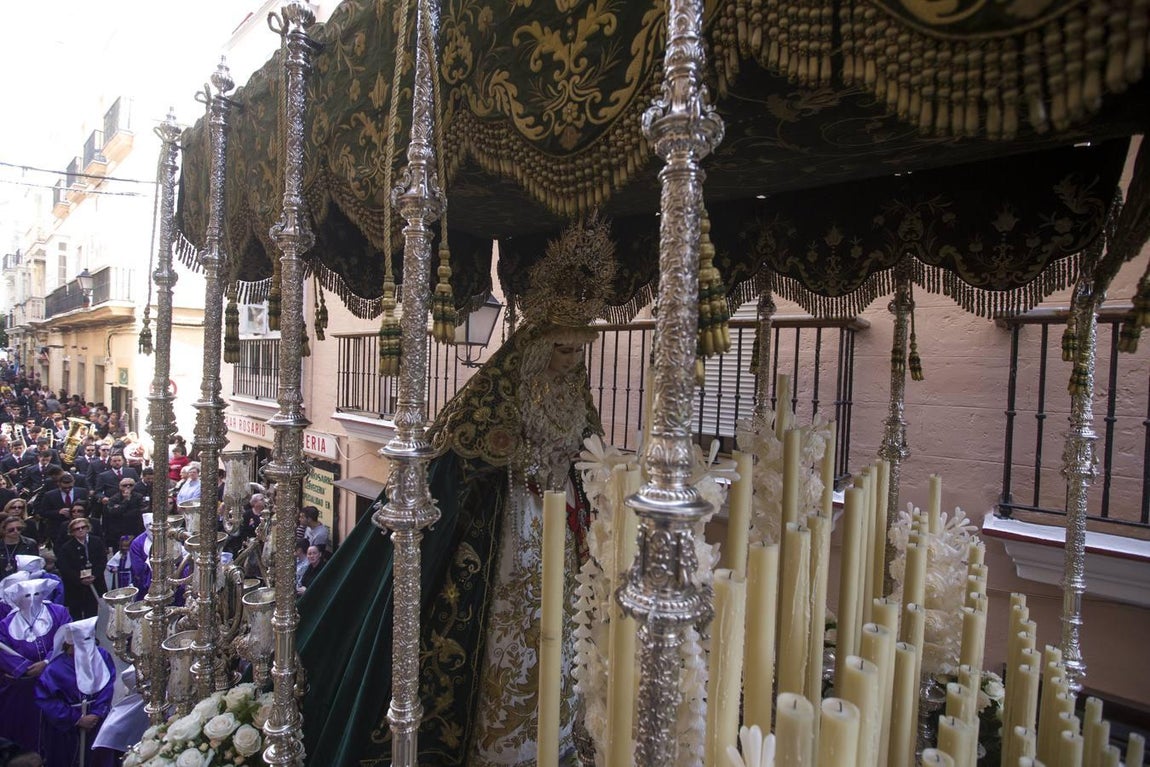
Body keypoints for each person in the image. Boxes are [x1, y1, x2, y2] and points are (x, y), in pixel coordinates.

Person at [297, 215, 610, 766]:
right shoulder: (505, 397)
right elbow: (462, 459)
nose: (573, 360)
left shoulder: (576, 398)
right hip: (511, 529)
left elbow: (586, 461)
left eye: (579, 350)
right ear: (537, 347)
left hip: (559, 532)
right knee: (505, 640)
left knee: (559, 639)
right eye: (563, 349)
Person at [0, 578, 72, 753]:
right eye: (26, 595)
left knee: (57, 731)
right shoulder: (5, 625)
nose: (32, 599)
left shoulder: (58, 613)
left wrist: (47, 662)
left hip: (58, 681)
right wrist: (25, 669)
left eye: (37, 594)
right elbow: (4, 652)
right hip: (25, 689)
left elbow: (66, 638)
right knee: (28, 729)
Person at [35, 616, 116, 767]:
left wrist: (97, 713)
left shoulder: (102, 656)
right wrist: (76, 719)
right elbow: (46, 700)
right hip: (66, 729)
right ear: (69, 645)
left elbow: (108, 684)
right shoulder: (54, 669)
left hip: (96, 721)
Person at [55, 517, 108, 619]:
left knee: (92, 613)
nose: (80, 530)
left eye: (83, 527)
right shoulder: (66, 547)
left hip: (94, 581)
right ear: (72, 532)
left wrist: (95, 575)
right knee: (76, 614)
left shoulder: (96, 541)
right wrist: (79, 579)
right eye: (76, 529)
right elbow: (64, 567)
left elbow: (102, 560)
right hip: (75, 586)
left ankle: (92, 633)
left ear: (88, 528)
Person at [102, 477, 144, 552]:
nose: (128, 487)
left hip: (135, 529)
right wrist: (126, 501)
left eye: (130, 485)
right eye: (125, 485)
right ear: (120, 487)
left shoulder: (139, 497)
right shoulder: (114, 498)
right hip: (119, 530)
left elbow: (140, 512)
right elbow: (113, 512)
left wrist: (122, 510)